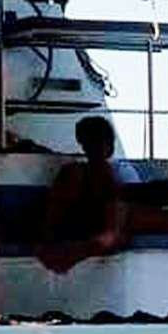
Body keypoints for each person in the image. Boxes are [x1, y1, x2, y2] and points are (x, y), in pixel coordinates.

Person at [38, 116, 131, 273]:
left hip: (86, 234)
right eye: (98, 141)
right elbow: (54, 216)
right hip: (78, 233)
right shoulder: (74, 174)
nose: (102, 147)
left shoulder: (106, 175)